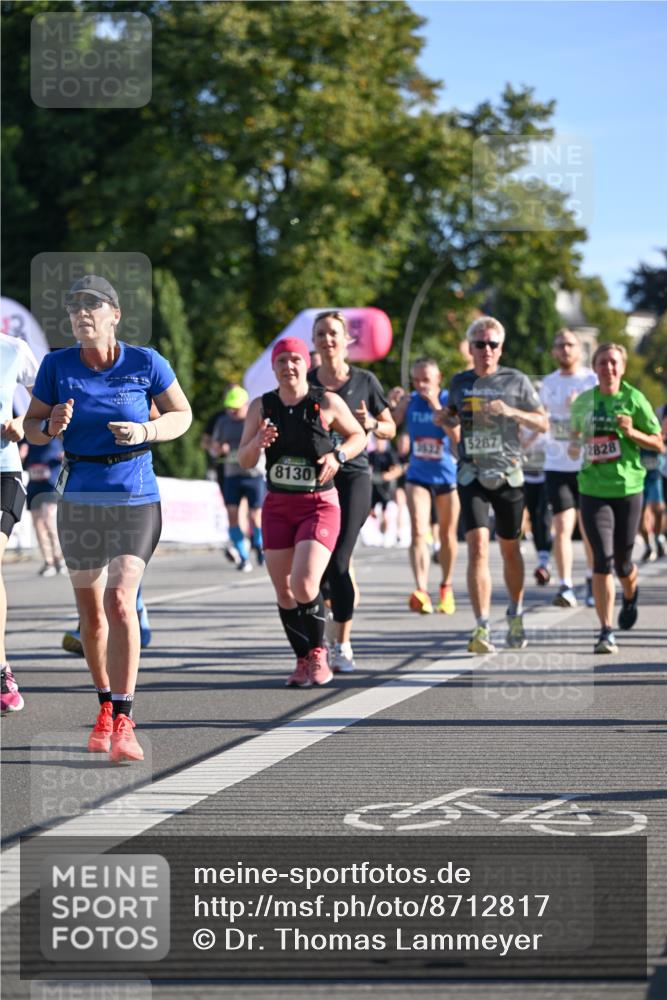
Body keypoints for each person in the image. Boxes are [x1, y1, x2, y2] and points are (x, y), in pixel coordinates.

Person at [24, 274, 192, 760]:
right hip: (79, 500)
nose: (82, 314)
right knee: (91, 618)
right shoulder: (57, 366)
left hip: (135, 496)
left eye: (92, 306)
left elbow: (181, 414)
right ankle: (103, 706)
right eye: (75, 307)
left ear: (114, 315)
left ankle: (124, 717)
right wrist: (49, 425)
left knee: (121, 599)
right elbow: (34, 428)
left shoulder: (145, 362)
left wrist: (146, 431)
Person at [238, 335, 366, 687]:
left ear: (305, 364)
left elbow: (359, 436)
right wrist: (256, 442)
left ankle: (320, 652)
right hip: (278, 506)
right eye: (282, 361)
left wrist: (338, 456)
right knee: (283, 591)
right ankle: (301, 659)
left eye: (295, 360)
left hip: (318, 505)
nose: (289, 367)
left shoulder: (325, 402)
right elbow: (244, 458)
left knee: (305, 582)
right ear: (274, 367)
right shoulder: (261, 407)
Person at [441, 316, 548, 653]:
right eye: (480, 344)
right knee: (477, 547)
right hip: (471, 473)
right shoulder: (459, 382)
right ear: (470, 348)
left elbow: (542, 422)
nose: (486, 350)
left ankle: (515, 614)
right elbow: (450, 415)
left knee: (509, 549)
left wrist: (511, 411)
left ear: (501, 349)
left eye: (493, 344)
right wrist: (442, 418)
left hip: (508, 475)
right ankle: (482, 625)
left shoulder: (515, 381)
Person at [308, 311, 395, 672]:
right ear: (314, 341)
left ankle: (341, 643)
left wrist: (372, 423)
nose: (328, 339)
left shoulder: (365, 381)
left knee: (340, 559)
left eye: (334, 333)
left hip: (355, 476)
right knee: (317, 565)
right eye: (321, 333)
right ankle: (320, 641)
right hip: (315, 479)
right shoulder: (306, 381)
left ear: (347, 341)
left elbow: (390, 427)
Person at [569, 343, 663, 654]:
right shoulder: (583, 402)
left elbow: (658, 443)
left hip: (627, 489)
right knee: (601, 560)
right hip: (593, 490)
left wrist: (632, 432)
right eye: (602, 363)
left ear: (621, 368)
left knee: (623, 563)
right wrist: (573, 442)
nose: (608, 368)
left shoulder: (635, 399)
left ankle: (631, 593)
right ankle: (606, 630)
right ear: (594, 367)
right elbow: (571, 444)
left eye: (613, 363)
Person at [389, 358, 459, 616]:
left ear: (438, 378)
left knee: (447, 537)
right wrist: (392, 404)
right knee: (418, 530)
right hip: (417, 474)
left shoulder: (449, 400)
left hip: (446, 475)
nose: (421, 386)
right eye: (416, 380)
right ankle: (421, 590)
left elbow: (457, 437)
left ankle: (446, 587)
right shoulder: (411, 401)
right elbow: (390, 426)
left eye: (426, 380)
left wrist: (437, 407)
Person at [540, 329, 597, 607]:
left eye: (570, 345)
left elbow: (602, 420)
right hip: (556, 463)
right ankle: (565, 585)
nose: (565, 349)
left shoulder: (591, 380)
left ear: (579, 349)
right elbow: (542, 422)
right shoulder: (548, 383)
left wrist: (577, 411)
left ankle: (590, 578)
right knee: (562, 525)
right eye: (560, 345)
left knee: (588, 527)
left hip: (587, 464)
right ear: (553, 351)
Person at [1, 331, 38, 713]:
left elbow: (47, 401)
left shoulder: (13, 348)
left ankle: (0, 670)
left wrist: (22, 420)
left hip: (3, 473)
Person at [212, 385, 265, 571]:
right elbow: (214, 446)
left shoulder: (255, 420)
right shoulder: (223, 422)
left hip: (254, 475)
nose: (232, 411)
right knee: (232, 516)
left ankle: (259, 547)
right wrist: (220, 449)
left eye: (236, 407)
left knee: (255, 517)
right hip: (232, 475)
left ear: (246, 405)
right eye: (229, 407)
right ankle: (243, 557)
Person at [24, 437, 67, 576]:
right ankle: (48, 562)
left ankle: (59, 558)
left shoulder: (56, 433)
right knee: (38, 524)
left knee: (48, 519)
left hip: (51, 482)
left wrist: (64, 455)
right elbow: (21, 455)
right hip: (34, 484)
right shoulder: (28, 433)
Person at [520, 422, 552, 585]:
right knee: (533, 516)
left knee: (543, 516)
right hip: (527, 477)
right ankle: (542, 558)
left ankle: (544, 563)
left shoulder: (548, 418)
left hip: (547, 476)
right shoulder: (519, 420)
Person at [368, 435, 403, 543]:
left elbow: (397, 470)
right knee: (371, 512)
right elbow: (368, 468)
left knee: (385, 513)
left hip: (385, 488)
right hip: (374, 486)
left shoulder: (390, 454)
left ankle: (385, 534)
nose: (379, 443)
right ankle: (375, 533)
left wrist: (387, 476)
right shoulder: (372, 455)